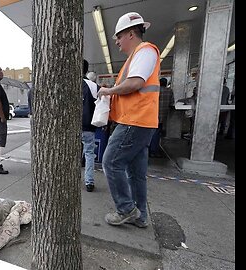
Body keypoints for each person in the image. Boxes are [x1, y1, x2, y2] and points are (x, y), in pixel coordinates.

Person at [98, 12, 160, 228]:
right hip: (142, 121)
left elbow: (134, 83)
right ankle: (140, 215)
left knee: (110, 162)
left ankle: (126, 209)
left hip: (135, 120)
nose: (116, 41)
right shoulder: (138, 56)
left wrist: (108, 91)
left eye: (118, 36)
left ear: (131, 34)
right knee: (136, 172)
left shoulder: (144, 52)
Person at [82, 60, 98, 192]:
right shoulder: (93, 86)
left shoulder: (68, 85)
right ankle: (89, 182)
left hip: (70, 128)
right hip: (88, 125)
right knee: (89, 154)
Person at [149, 78, 174, 158]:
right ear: (166, 83)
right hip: (163, 115)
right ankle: (154, 150)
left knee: (152, 133)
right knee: (157, 133)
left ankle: (151, 150)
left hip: (153, 115)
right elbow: (171, 103)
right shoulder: (169, 91)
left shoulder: (155, 90)